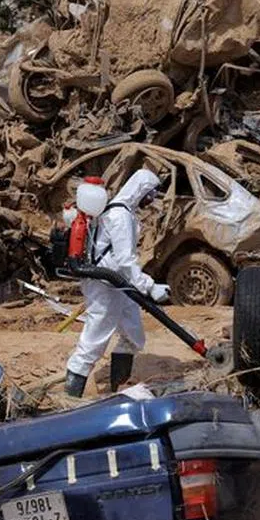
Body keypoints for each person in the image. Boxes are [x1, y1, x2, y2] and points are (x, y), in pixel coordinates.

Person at [65, 169, 171, 398]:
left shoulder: (122, 211)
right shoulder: (120, 215)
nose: (151, 200)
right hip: (105, 285)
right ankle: (70, 397)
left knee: (132, 334)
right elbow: (125, 260)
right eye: (150, 195)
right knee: (93, 341)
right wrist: (149, 287)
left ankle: (120, 387)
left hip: (118, 285)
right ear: (140, 190)